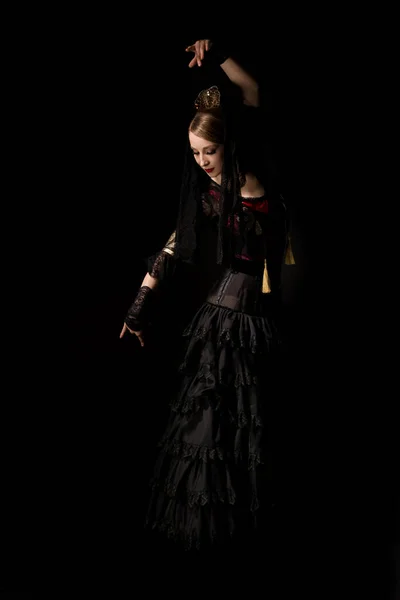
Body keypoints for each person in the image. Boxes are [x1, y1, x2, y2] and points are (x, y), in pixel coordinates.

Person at [119, 38, 295, 551]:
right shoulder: (211, 195)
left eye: (209, 151)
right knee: (211, 429)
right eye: (195, 154)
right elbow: (172, 247)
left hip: (258, 318)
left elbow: (252, 88)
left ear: (229, 143)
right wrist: (138, 305)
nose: (202, 163)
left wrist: (217, 49)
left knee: (251, 435)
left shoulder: (253, 174)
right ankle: (209, 539)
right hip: (225, 320)